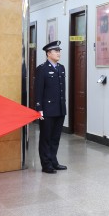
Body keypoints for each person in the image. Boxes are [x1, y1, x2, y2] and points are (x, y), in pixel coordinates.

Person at [35, 41, 67, 174]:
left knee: (55, 138)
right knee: (46, 138)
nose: (59, 53)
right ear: (48, 53)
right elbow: (38, 90)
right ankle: (46, 164)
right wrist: (39, 108)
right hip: (47, 110)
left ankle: (54, 161)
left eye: (59, 51)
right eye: (56, 51)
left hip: (60, 109)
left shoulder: (61, 68)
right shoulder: (42, 69)